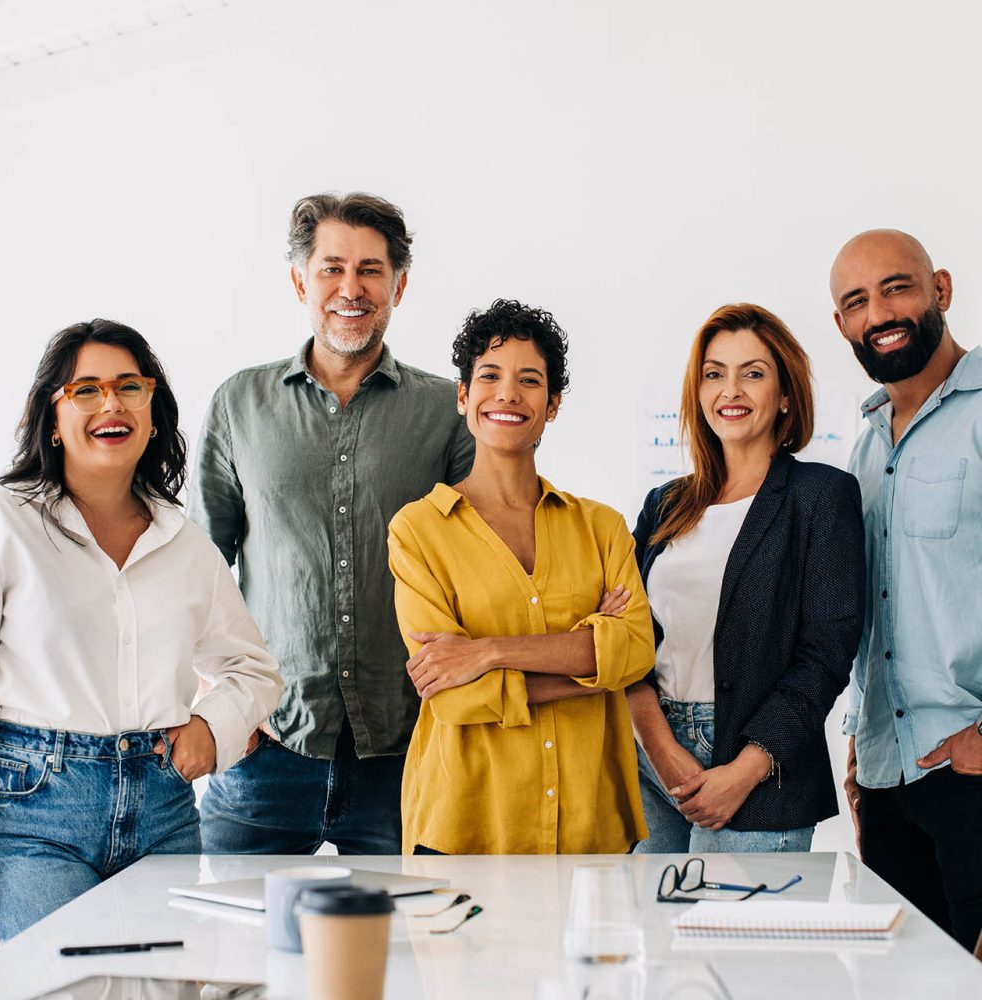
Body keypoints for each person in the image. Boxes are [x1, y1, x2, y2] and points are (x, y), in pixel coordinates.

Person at [191, 192, 474, 855]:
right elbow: (198, 568)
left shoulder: (447, 410)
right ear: (300, 281)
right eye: (332, 268)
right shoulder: (240, 403)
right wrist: (219, 698)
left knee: (408, 955)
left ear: (399, 286)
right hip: (264, 750)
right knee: (236, 954)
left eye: (371, 270)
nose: (352, 288)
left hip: (406, 750)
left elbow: (478, 562)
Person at [0, 319, 282, 943]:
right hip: (32, 809)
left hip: (163, 814)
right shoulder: (4, 522)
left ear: (151, 412)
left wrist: (209, 728)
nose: (111, 404)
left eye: (129, 387)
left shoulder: (183, 541)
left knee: (163, 986)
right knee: (65, 985)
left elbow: (253, 670)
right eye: (85, 390)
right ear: (53, 417)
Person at [387, 299, 654, 854]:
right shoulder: (418, 532)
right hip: (466, 825)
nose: (508, 393)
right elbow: (453, 697)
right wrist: (590, 663)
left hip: (591, 827)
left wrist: (485, 653)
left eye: (529, 380)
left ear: (552, 405)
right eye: (489, 376)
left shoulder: (601, 527)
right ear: (463, 396)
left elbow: (635, 651)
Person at [627, 303, 865, 854]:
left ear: (785, 395)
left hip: (760, 766)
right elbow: (627, 638)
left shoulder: (821, 496)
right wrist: (659, 746)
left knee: (730, 939)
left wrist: (747, 768)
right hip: (649, 757)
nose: (730, 390)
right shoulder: (665, 505)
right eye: (715, 373)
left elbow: (826, 655)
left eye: (752, 373)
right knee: (650, 934)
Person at [830, 229, 982, 951]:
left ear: (940, 290)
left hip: (972, 771)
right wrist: (864, 743)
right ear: (842, 326)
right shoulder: (865, 447)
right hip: (888, 778)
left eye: (897, 287)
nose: (878, 312)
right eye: (857, 301)